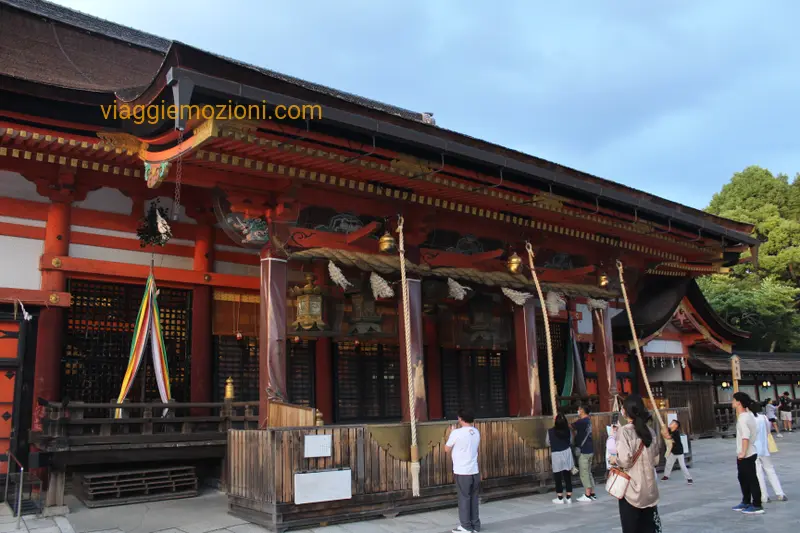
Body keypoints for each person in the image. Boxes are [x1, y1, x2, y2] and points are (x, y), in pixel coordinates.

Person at [612, 394, 662, 533]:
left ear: (625, 411)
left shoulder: (624, 432)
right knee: (648, 528)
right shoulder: (650, 431)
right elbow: (656, 459)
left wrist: (614, 460)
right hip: (650, 489)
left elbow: (624, 460)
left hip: (631, 490)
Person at [445, 409, 481, 533]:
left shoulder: (456, 433)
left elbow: (446, 449)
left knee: (464, 498)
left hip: (462, 471)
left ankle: (466, 526)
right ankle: (475, 526)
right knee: (474, 498)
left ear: (460, 419)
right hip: (474, 470)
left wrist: (451, 433)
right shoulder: (476, 432)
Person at [731, 392, 764, 514]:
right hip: (748, 451)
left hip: (747, 453)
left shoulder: (744, 418)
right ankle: (746, 501)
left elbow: (746, 436)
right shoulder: (748, 415)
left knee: (750, 479)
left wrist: (743, 452)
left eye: (734, 400)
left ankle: (757, 504)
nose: (732, 402)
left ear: (739, 402)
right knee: (743, 478)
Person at [751, 402, 787, 503]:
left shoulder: (750, 419)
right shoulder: (764, 418)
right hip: (764, 447)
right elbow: (768, 431)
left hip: (753, 448)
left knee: (758, 472)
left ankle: (764, 496)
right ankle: (780, 493)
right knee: (770, 470)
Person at [547, 412, 574, 504]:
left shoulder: (550, 431)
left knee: (557, 476)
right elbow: (571, 441)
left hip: (556, 454)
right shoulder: (568, 430)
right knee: (567, 475)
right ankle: (569, 497)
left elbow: (547, 442)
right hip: (567, 452)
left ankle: (560, 497)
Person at [572, 404, 596, 502]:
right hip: (590, 449)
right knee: (589, 472)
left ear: (582, 410)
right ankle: (592, 493)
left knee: (584, 473)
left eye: (579, 409)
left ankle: (587, 494)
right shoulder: (588, 421)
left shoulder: (581, 422)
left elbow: (570, 426)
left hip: (583, 451)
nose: (578, 410)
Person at [661, 420, 693, 484]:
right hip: (672, 451)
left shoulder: (676, 433)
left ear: (676, 426)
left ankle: (689, 478)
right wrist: (663, 428)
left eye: (672, 423)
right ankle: (666, 476)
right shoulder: (669, 430)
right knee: (668, 464)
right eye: (671, 422)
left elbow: (668, 437)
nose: (671, 423)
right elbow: (664, 430)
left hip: (679, 452)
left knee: (682, 466)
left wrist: (663, 433)